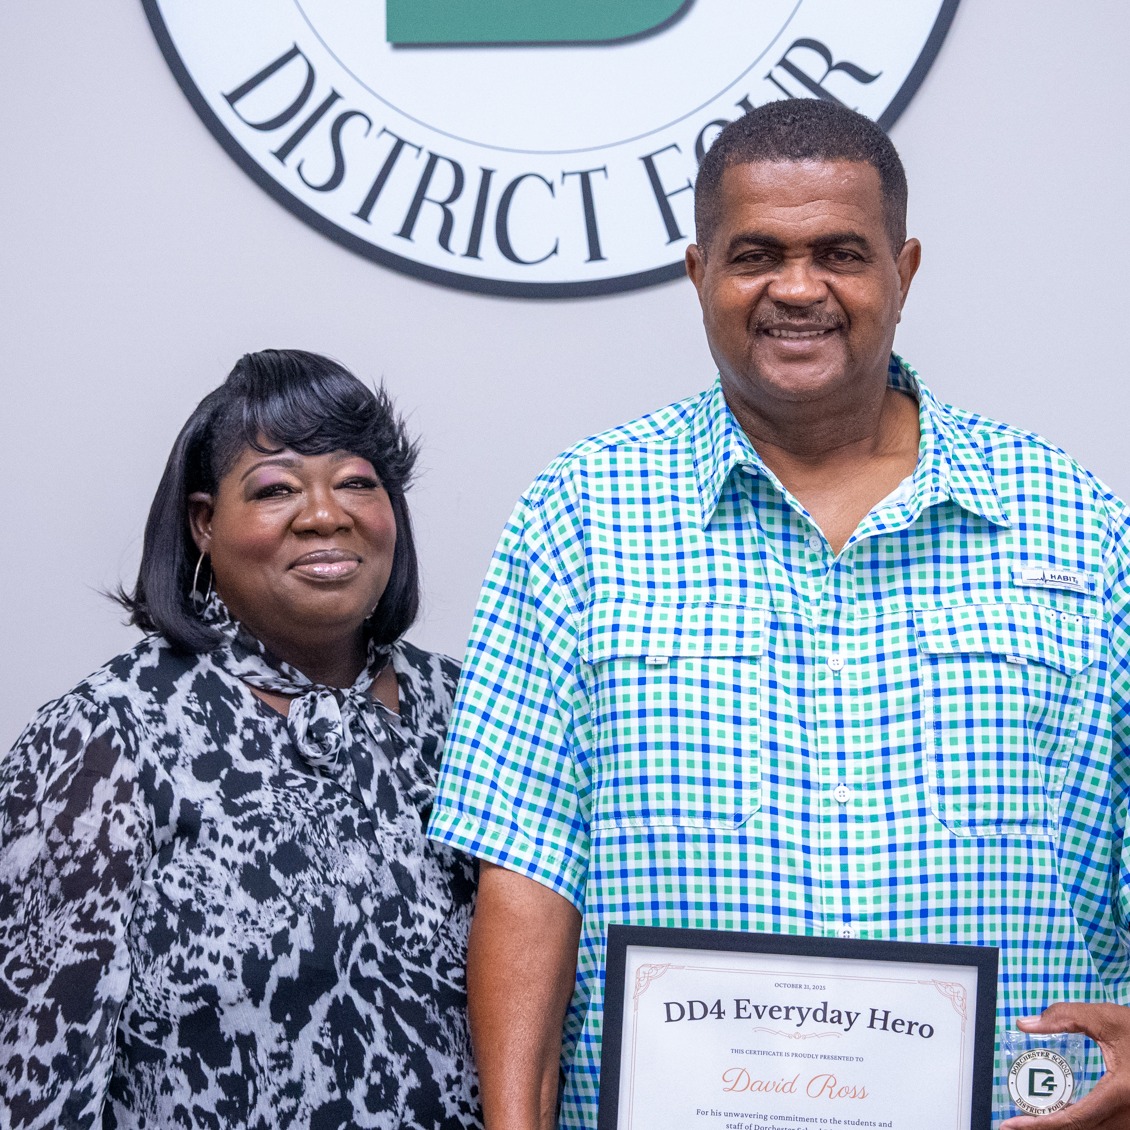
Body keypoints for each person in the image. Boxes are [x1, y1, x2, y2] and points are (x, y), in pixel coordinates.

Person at [427, 99, 1130, 1129]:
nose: (796, 289)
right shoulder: (579, 516)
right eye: (756, 253)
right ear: (696, 272)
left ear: (904, 269)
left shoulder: (1073, 525)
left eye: (839, 253)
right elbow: (525, 875)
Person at [0, 350, 481, 1129]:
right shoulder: (105, 737)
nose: (326, 513)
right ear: (204, 523)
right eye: (276, 488)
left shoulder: (472, 711)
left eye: (359, 481)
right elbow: (38, 1071)